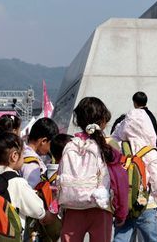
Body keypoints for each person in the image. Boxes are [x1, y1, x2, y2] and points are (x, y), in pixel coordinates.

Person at [57, 97, 127, 242]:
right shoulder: (108, 147)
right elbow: (120, 180)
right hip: (101, 208)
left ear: (78, 121)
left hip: (72, 207)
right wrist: (121, 211)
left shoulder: (70, 145)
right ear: (102, 121)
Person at [112, 107, 157, 242]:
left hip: (124, 205)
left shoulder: (119, 148)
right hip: (146, 204)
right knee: (150, 238)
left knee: (121, 238)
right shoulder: (150, 152)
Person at [0, 132, 53, 234]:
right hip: (9, 236)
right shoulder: (17, 181)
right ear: (14, 156)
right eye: (22, 154)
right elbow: (37, 210)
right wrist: (47, 215)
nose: (23, 158)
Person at [22, 118, 58, 189]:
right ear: (44, 141)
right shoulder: (31, 163)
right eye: (51, 144)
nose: (51, 149)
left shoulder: (23, 153)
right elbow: (33, 190)